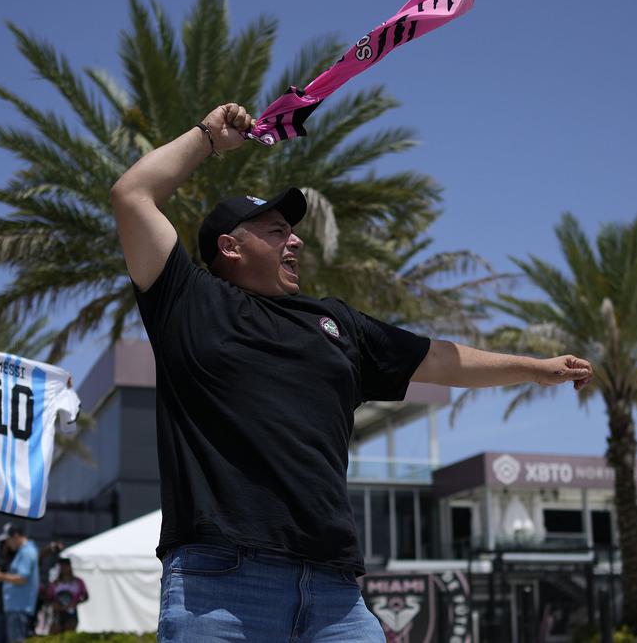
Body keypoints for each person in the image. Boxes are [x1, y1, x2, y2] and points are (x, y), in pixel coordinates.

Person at [109, 103, 594, 641]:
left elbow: (435, 358)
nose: (295, 240)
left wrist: (533, 369)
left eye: (292, 231)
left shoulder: (336, 322)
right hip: (221, 586)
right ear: (230, 246)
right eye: (275, 230)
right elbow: (132, 195)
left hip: (334, 594)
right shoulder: (188, 303)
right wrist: (206, 137)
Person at [0, 525, 37, 643]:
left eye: (8, 540)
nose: (7, 544)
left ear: (16, 536)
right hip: (16, 608)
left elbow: (22, 578)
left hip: (18, 608)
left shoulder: (26, 552)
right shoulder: (25, 551)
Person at [46, 559, 87, 634]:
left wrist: (75, 603)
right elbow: (48, 598)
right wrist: (53, 604)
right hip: (57, 613)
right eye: (62, 566)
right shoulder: (55, 583)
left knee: (69, 633)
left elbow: (85, 596)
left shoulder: (78, 582)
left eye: (66, 566)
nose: (64, 568)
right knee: (55, 633)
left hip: (71, 612)